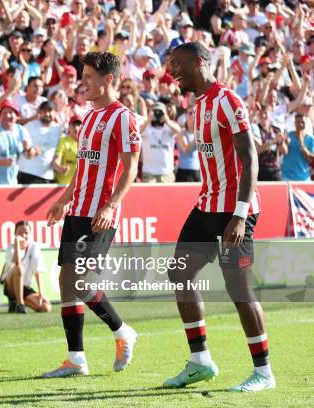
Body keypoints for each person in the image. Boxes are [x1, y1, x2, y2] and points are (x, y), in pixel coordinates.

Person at [166, 41, 274, 392]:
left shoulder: (227, 100)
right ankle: (200, 361)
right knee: (179, 271)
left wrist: (240, 215)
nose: (173, 71)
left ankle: (263, 373)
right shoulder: (196, 106)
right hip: (207, 205)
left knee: (238, 288)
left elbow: (249, 158)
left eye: (178, 63)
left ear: (199, 62)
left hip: (234, 211)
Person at [43, 51, 140, 378]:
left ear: (108, 79)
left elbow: (131, 168)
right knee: (66, 282)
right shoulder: (90, 116)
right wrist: (63, 199)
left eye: (88, 77)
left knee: (81, 281)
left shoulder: (123, 117)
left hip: (99, 213)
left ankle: (122, 331)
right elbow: (83, 168)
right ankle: (76, 359)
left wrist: (111, 205)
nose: (82, 83)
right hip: (78, 211)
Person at [0, 221, 51, 313]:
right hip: (10, 286)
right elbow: (16, 262)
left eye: (26, 233)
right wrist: (17, 243)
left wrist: (41, 293)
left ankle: (17, 302)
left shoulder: (34, 247)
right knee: (19, 268)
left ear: (30, 234)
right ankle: (20, 305)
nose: (23, 235)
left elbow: (37, 270)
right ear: (15, 234)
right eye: (19, 233)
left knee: (45, 307)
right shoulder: (10, 248)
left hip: (25, 287)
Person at [0, 100, 34, 185]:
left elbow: (30, 155)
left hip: (11, 184)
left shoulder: (22, 131)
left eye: (11, 112)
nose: (8, 115)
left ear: (17, 116)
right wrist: (3, 162)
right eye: (4, 113)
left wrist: (29, 149)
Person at [17, 101, 62, 184]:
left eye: (50, 111)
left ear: (55, 113)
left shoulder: (59, 129)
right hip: (27, 173)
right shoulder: (29, 126)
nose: (47, 114)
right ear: (39, 112)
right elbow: (21, 146)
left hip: (47, 175)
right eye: (44, 111)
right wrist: (30, 151)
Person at [140, 102, 182, 183]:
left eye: (160, 112)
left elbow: (179, 131)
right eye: (155, 111)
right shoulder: (146, 127)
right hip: (149, 173)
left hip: (166, 173)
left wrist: (168, 121)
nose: (157, 114)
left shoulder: (169, 127)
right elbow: (138, 131)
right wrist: (148, 120)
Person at [280, 113, 314, 181]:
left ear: (306, 124)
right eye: (298, 122)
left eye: (302, 122)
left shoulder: (311, 139)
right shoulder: (288, 136)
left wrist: (302, 145)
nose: (300, 125)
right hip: (287, 177)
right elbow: (283, 152)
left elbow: (311, 160)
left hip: (304, 178)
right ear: (294, 124)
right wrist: (283, 143)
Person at [52, 115, 81, 185]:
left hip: (79, 187)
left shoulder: (86, 142)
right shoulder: (63, 141)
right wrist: (61, 169)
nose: (76, 128)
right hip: (63, 185)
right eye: (74, 125)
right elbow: (55, 163)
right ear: (69, 127)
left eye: (79, 125)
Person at [175, 106, 201, 182]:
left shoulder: (200, 132)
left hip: (198, 171)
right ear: (186, 115)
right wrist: (198, 134)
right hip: (184, 171)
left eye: (195, 113)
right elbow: (186, 149)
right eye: (190, 113)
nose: (192, 115)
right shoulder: (182, 132)